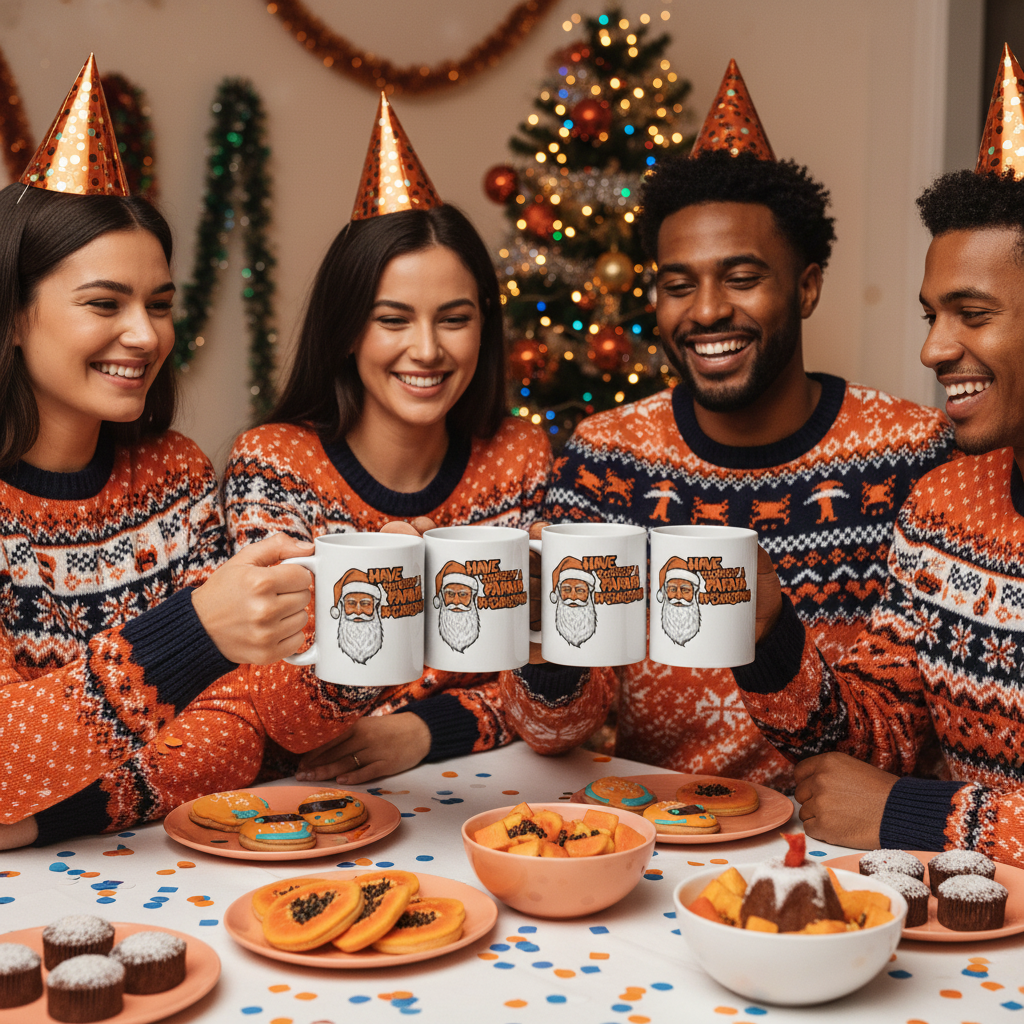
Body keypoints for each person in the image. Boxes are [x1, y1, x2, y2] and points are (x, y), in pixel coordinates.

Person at [501, 60, 956, 790]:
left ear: (806, 287)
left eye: (742, 278)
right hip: (662, 838)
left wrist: (773, 641)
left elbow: (901, 747)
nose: (706, 310)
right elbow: (552, 731)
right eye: (679, 285)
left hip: (841, 849)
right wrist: (546, 644)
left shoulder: (913, 455)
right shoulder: (606, 458)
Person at [0, 58, 313, 849]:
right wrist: (193, 635)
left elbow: (246, 730)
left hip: (161, 865)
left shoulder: (171, 475)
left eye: (160, 305)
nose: (146, 336)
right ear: (11, 317)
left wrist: (48, 814)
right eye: (105, 303)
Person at [733, 46, 1024, 866]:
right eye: (932, 314)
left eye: (971, 313)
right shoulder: (943, 505)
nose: (935, 349)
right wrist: (769, 639)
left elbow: (888, 793)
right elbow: (876, 744)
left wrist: (914, 816)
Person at [222, 95, 550, 784]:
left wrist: (429, 729)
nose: (426, 350)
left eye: (453, 319)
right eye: (393, 320)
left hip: (487, 785)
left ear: (484, 327)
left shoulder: (517, 454)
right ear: (347, 331)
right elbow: (272, 694)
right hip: (312, 797)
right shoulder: (274, 463)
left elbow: (562, 683)